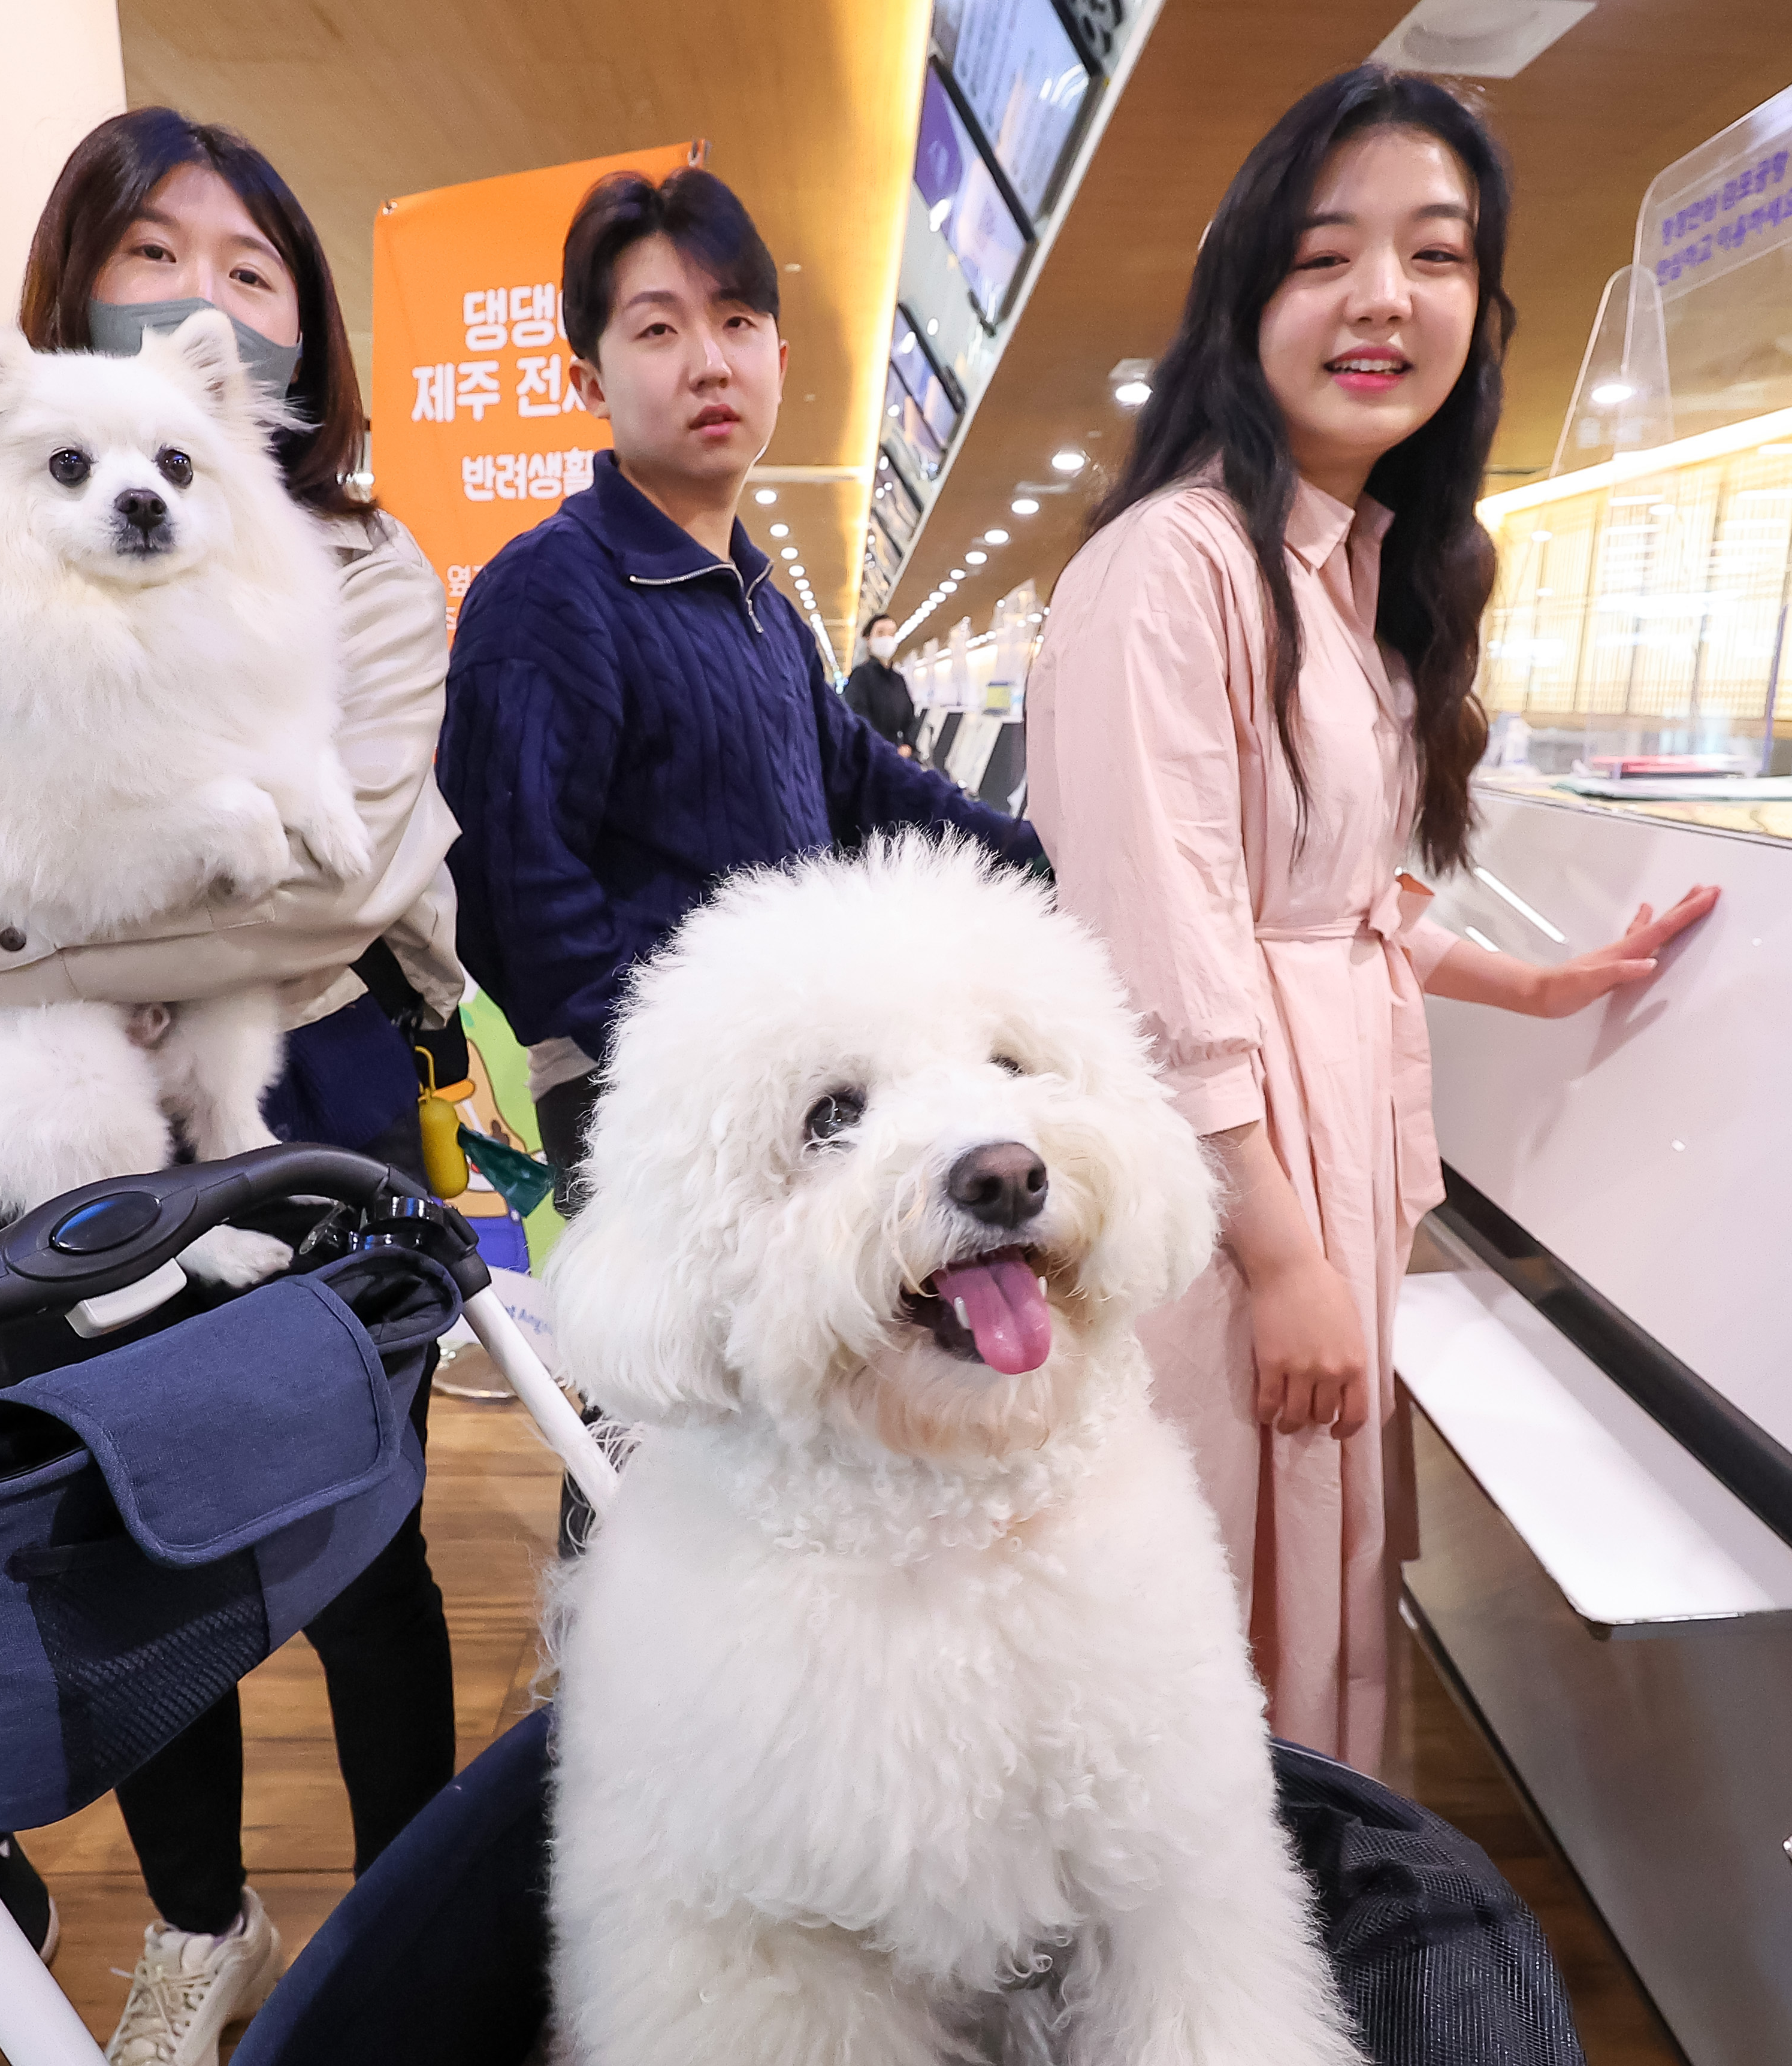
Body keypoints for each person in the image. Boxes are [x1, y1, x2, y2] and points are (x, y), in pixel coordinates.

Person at [0, 108, 464, 2064]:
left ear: (301, 324)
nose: (207, 302)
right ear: (72, 296)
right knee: (128, 1524)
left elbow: (323, 889)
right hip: (39, 1109)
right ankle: (198, 1919)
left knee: (363, 1525)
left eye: (252, 269)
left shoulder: (360, 559)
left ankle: (413, 1915)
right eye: (159, 257)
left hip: (287, 1085)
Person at [1029, 67, 1717, 1770]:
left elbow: (1334, 901)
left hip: (1308, 1165)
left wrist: (1539, 982)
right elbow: (1156, 950)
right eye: (1327, 255)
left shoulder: (1351, 574)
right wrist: (1277, 1255)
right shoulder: (1167, 571)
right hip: (1231, 1190)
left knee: (1302, 1571)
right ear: (1244, 294)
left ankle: (1296, 1944)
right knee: (1208, 1585)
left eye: (1436, 255)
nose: (1383, 300)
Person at [436, 167, 1042, 1210]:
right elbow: (513, 890)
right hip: (653, 1108)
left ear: (778, 357)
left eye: (736, 321)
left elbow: (867, 785)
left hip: (804, 1090)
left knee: (809, 1372)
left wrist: (1058, 857)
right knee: (675, 1374)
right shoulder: (547, 592)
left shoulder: (760, 602)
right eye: (659, 331)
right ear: (589, 380)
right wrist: (687, 1052)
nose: (709, 362)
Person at [842, 612, 920, 754]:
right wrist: (883, 748)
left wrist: (908, 745)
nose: (887, 638)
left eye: (891, 634)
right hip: (870, 757)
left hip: (897, 757)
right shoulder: (860, 677)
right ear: (868, 639)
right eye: (880, 633)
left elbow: (910, 719)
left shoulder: (899, 680)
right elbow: (858, 718)